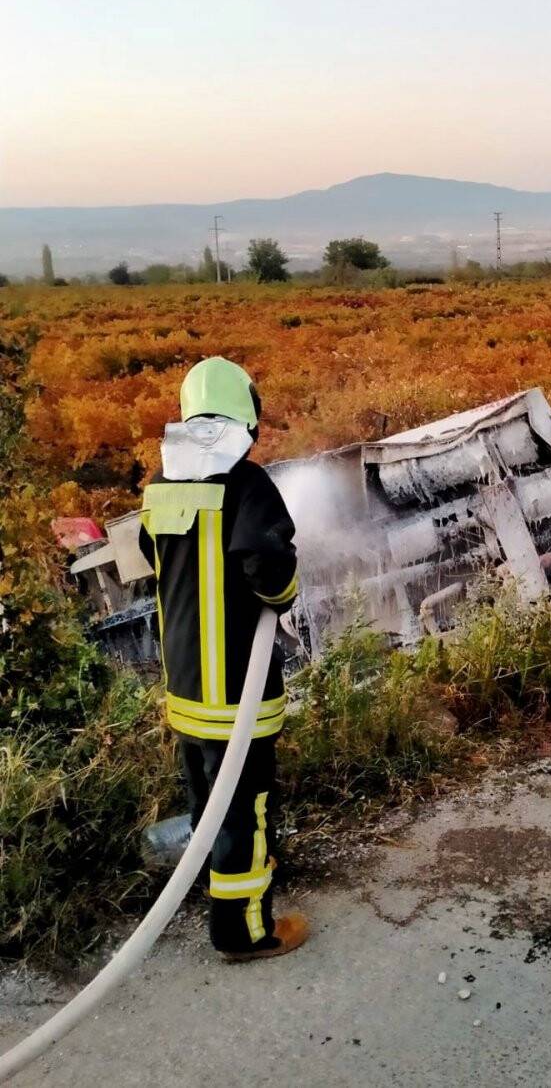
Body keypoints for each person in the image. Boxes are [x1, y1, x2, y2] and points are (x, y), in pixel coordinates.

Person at [138, 356, 309, 960]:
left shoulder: (159, 489)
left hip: (184, 689)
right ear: (247, 414)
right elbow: (268, 565)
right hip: (237, 693)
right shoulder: (246, 484)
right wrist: (283, 596)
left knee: (208, 805)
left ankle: (224, 884)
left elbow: (151, 555)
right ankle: (243, 932)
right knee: (244, 809)